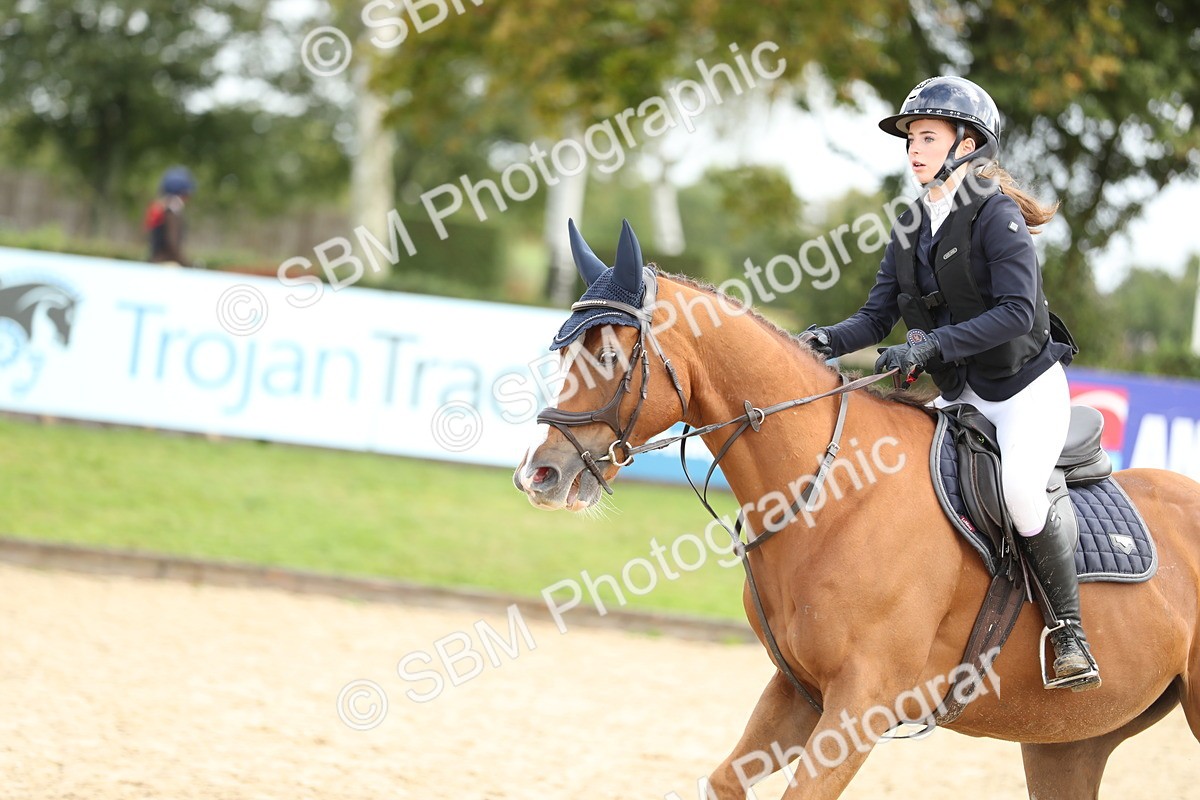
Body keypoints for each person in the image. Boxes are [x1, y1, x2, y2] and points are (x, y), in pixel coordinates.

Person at [798, 76, 1099, 691]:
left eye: (927, 137)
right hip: (961, 393)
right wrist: (821, 341)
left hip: (1024, 390)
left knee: (1019, 489)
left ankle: (1069, 632)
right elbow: (877, 318)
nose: (914, 149)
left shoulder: (996, 213)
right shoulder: (912, 221)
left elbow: (1018, 311)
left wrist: (930, 345)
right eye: (911, 138)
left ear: (966, 144)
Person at [144, 166, 196, 266]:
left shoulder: (161, 206)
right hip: (165, 263)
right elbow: (172, 244)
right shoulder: (173, 210)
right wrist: (188, 264)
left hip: (155, 261)